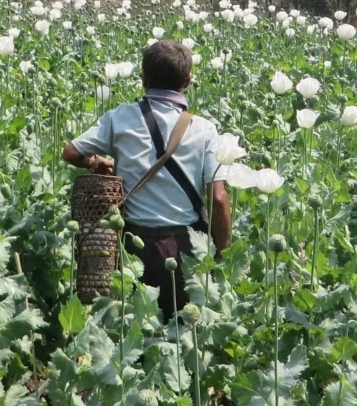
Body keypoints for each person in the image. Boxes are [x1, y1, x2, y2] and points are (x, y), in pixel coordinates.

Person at [62, 40, 231, 322]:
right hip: (185, 248)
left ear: (143, 78)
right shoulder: (204, 129)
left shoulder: (119, 117)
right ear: (187, 81)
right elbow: (218, 198)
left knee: (135, 328)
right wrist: (222, 251)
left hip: (132, 249)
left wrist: (96, 162)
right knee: (183, 330)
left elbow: (71, 152)